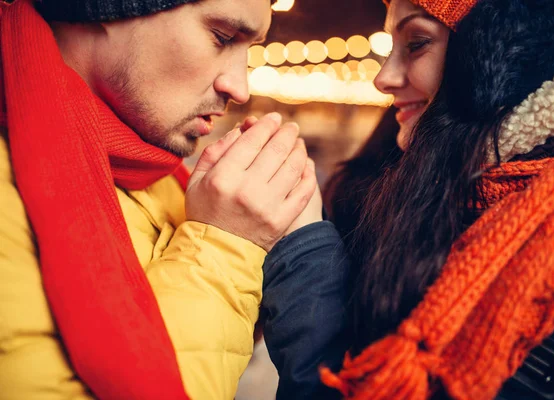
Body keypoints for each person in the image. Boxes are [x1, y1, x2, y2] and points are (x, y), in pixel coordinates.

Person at [261, 0, 554, 398]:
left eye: (417, 42)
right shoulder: (453, 177)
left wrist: (302, 246)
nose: (382, 78)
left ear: (504, 48)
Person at [0, 0, 321, 399]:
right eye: (222, 37)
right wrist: (225, 245)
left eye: (249, 50)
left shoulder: (155, 171)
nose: (240, 87)